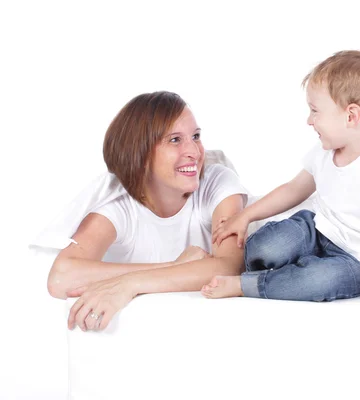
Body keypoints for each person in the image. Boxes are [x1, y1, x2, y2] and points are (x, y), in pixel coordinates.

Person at [202, 50, 360, 306]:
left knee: (317, 280)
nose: (309, 121)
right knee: (265, 248)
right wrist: (245, 216)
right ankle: (255, 271)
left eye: (315, 111)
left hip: (356, 260)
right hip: (316, 230)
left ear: (351, 116)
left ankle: (246, 284)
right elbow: (294, 189)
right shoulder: (325, 151)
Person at [46, 91, 248, 331]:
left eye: (195, 136)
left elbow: (229, 267)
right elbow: (61, 278)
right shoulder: (119, 206)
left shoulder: (217, 182)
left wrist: (130, 284)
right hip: (144, 333)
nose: (193, 151)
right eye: (175, 140)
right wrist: (174, 266)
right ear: (139, 154)